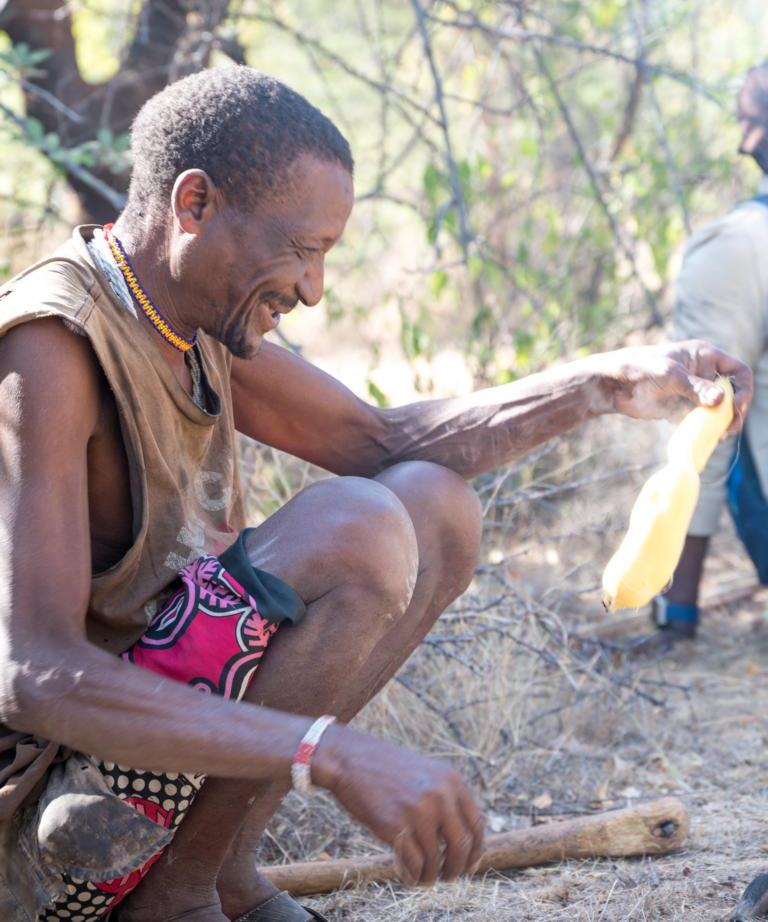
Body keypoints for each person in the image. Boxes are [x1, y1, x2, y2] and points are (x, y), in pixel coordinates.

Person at [0, 66, 751, 922]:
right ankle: (171, 904)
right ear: (195, 204)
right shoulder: (53, 347)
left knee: (436, 506)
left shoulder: (187, 317)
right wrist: (329, 753)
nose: (314, 288)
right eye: (302, 250)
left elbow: (383, 441)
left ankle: (217, 876)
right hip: (57, 834)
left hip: (156, 772)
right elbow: (39, 676)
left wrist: (605, 383)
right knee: (354, 528)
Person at [652, 62, 768, 642]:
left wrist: (677, 619)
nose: (743, 142)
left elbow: (703, 428)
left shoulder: (742, 245)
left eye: (750, 123)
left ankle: (677, 609)